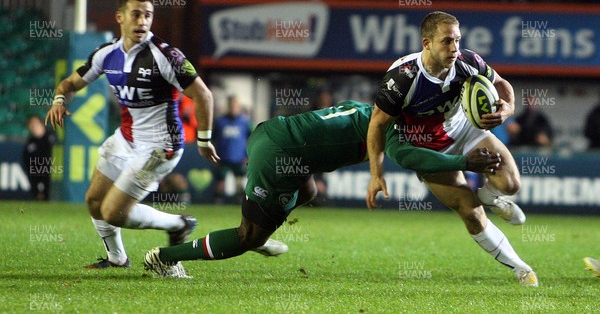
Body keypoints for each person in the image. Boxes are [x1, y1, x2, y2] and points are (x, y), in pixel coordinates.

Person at [45, 0, 281, 270]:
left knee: (113, 212)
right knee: (94, 200)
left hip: (160, 146)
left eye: (148, 15)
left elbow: (204, 95)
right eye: (136, 14)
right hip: (126, 139)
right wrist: (60, 99)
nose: (142, 21)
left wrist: (204, 140)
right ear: (120, 17)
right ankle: (117, 258)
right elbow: (70, 83)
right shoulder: (106, 54)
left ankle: (178, 223)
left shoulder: (167, 56)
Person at [143, 100, 501, 278]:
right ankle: (165, 258)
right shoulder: (394, 127)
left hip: (275, 136)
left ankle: (262, 219)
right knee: (246, 237)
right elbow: (408, 156)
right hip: (280, 153)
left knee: (310, 192)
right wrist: (464, 164)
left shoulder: (374, 109)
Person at [366, 11, 538, 286]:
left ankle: (490, 196)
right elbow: (376, 125)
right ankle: (520, 267)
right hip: (428, 147)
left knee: (511, 184)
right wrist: (376, 173)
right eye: (447, 41)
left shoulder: (468, 61)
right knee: (469, 211)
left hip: (465, 129)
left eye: (457, 40)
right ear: (427, 43)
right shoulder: (402, 77)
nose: (455, 48)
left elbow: (501, 84)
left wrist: (507, 108)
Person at [212, 95, 252, 202]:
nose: (233, 108)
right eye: (231, 105)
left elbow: (252, 138)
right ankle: (217, 202)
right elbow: (214, 139)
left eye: (235, 105)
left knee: (239, 181)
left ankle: (240, 202)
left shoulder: (245, 122)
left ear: (239, 107)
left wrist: (248, 155)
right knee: (220, 181)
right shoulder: (220, 121)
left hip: (239, 157)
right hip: (223, 157)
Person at [23, 115, 54, 201]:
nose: (34, 127)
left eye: (36, 124)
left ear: (41, 124)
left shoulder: (51, 137)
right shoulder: (30, 143)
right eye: (31, 125)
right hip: (37, 174)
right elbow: (27, 162)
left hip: (52, 173)